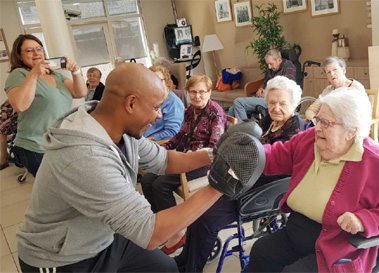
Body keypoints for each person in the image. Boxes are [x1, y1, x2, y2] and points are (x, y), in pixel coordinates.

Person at [16, 63, 244, 273]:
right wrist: (219, 186)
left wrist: (214, 154)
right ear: (131, 103)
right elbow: (151, 232)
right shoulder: (85, 156)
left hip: (103, 235)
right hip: (63, 258)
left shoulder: (119, 129)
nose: (159, 115)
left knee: (165, 268)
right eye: (155, 107)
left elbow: (165, 159)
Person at [247, 89, 379, 273]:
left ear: (351, 132)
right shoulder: (308, 140)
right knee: (261, 252)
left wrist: (365, 220)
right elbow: (275, 155)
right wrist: (248, 154)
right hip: (295, 230)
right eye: (318, 119)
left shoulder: (377, 165)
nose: (317, 127)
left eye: (326, 123)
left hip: (337, 246)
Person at [175, 76, 304, 272]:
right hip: (243, 180)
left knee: (207, 218)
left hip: (263, 189)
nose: (276, 107)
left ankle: (191, 268)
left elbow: (273, 164)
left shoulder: (295, 131)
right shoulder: (268, 121)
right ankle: (185, 259)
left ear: (293, 104)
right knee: (197, 208)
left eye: (282, 103)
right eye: (272, 102)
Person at [141, 75, 227, 255]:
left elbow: (214, 149)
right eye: (193, 92)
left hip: (203, 163)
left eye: (202, 92)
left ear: (209, 92)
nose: (197, 96)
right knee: (147, 179)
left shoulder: (215, 113)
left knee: (160, 185)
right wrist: (162, 149)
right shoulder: (190, 111)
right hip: (183, 158)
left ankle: (176, 230)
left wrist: (191, 157)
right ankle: (160, 224)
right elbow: (180, 137)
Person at [4, 34, 87, 176]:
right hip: (34, 146)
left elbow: (80, 92)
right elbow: (20, 105)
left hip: (57, 142)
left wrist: (76, 71)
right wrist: (34, 74)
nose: (36, 53)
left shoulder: (56, 75)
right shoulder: (18, 74)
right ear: (19, 55)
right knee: (58, 190)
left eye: (39, 49)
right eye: (29, 50)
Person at [228, 49, 296, 123]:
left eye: (271, 64)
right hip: (264, 97)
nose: (269, 67)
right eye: (268, 64)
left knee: (238, 102)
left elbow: (285, 86)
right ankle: (229, 131)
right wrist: (261, 88)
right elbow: (265, 80)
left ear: (279, 60)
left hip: (275, 101)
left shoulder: (289, 67)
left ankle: (245, 129)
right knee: (232, 109)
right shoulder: (272, 68)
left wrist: (268, 92)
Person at [305, 56, 365, 123]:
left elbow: (360, 114)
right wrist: (315, 121)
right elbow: (311, 110)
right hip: (326, 126)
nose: (332, 74)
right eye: (328, 72)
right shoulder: (328, 90)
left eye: (335, 70)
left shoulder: (355, 87)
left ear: (344, 70)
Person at [144, 66, 184, 141]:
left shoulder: (174, 103)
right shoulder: (153, 99)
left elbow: (172, 132)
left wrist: (149, 140)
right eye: (152, 80)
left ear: (166, 81)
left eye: (159, 80)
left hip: (159, 143)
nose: (156, 83)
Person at [0, 100, 18, 170]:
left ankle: (3, 160)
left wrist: (4, 124)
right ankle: (5, 155)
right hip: (5, 122)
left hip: (13, 121)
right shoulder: (9, 99)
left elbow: (17, 114)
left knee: (1, 134)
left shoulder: (19, 98)